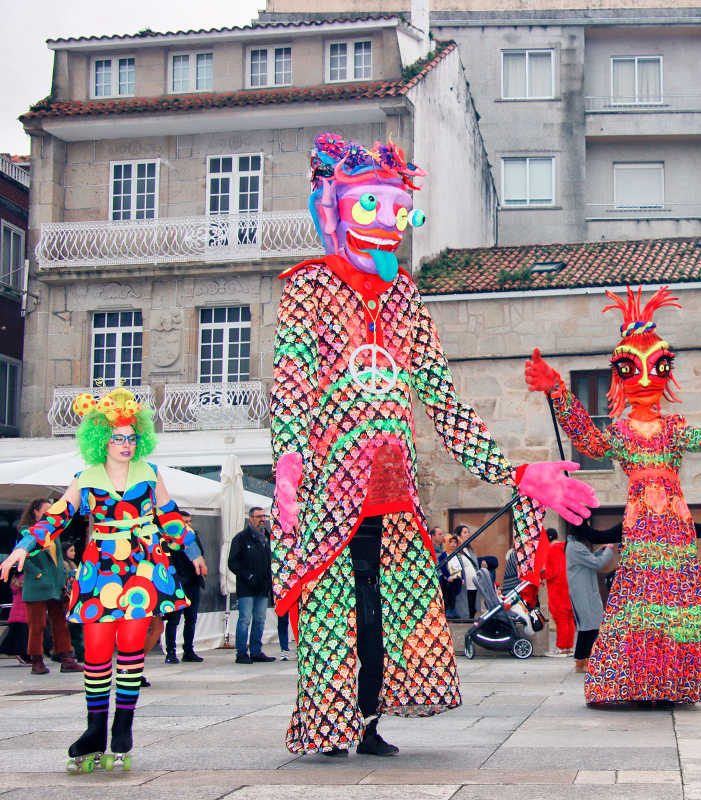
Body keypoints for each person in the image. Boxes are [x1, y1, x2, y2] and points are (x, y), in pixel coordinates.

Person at [270, 133, 596, 755]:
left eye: (397, 208)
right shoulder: (307, 287)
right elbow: (292, 384)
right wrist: (289, 468)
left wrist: (515, 471)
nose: (388, 224)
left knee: (385, 619)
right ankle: (332, 724)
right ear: (333, 208)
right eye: (370, 206)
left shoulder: (405, 296)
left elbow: (444, 403)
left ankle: (367, 722)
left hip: (394, 495)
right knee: (335, 615)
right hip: (330, 488)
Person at [527, 284, 701, 704]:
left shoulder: (673, 429)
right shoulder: (620, 432)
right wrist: (557, 390)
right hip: (641, 526)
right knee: (639, 603)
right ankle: (638, 682)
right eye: (633, 369)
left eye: (659, 366)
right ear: (620, 376)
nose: (647, 379)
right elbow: (589, 442)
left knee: (682, 603)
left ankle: (672, 681)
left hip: (675, 525)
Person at [0, 387, 205, 772]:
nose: (125, 445)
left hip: (143, 567)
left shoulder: (150, 473)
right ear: (101, 440)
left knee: (130, 650)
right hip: (100, 569)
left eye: (131, 437)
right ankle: (96, 729)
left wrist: (193, 552)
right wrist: (23, 547)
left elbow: (172, 518)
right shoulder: (87, 477)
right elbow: (56, 517)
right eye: (117, 438)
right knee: (95, 653)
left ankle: (122, 728)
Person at [19, 498, 83, 675]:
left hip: (55, 584)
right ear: (35, 512)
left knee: (61, 623)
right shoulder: (27, 532)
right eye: (46, 510)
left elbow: (59, 559)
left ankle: (67, 659)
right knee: (37, 625)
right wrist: (38, 574)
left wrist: (63, 578)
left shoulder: (53, 532)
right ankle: (36, 661)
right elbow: (23, 558)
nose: (49, 514)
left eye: (51, 510)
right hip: (37, 587)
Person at [228, 507, 274, 665]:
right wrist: (248, 576)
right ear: (251, 519)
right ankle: (241, 652)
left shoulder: (267, 537)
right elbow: (232, 563)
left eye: (264, 516)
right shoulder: (241, 538)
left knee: (260, 619)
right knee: (245, 619)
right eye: (259, 516)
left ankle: (256, 650)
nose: (262, 519)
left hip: (262, 586)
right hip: (246, 587)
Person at [565, 531, 616, 673]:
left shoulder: (574, 546)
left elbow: (590, 558)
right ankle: (586, 660)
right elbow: (596, 562)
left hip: (584, 590)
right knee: (590, 627)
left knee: (587, 627)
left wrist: (601, 550)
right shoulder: (575, 547)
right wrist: (609, 551)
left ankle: (582, 661)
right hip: (583, 591)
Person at [163, 510, 205, 664]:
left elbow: (201, 554)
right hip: (177, 584)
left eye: (189, 522)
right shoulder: (169, 540)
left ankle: (188, 650)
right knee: (173, 620)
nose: (188, 525)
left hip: (193, 582)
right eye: (184, 522)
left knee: (191, 619)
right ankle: (171, 652)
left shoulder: (193, 537)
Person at [542, 528, 574, 657]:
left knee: (560, 619)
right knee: (569, 619)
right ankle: (568, 648)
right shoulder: (564, 547)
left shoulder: (552, 549)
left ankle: (561, 648)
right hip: (569, 587)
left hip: (558, 588)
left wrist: (542, 574)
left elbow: (553, 571)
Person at [452, 525, 480, 618]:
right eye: (465, 532)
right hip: (464, 584)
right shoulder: (455, 550)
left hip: (473, 584)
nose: (468, 534)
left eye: (468, 532)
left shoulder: (469, 550)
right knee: (465, 607)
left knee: (472, 607)